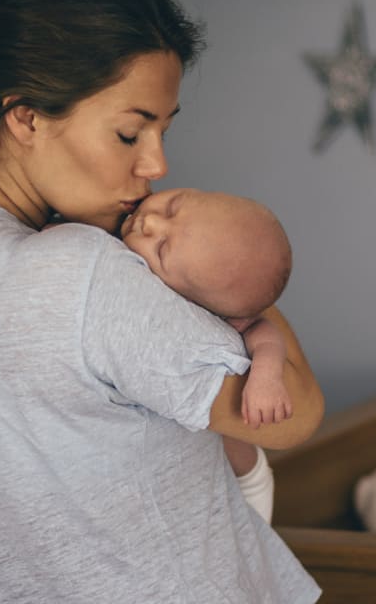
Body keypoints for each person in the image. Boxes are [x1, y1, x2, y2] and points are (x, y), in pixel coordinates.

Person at [0, 0, 325, 602]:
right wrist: (242, 286)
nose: (157, 164)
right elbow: (291, 416)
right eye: (130, 132)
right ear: (24, 116)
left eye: (164, 130)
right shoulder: (84, 270)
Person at [118, 187, 297, 521]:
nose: (150, 222)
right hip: (174, 464)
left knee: (251, 538)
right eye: (172, 207)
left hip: (244, 475)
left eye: (161, 249)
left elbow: (264, 334)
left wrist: (266, 377)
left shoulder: (214, 314)